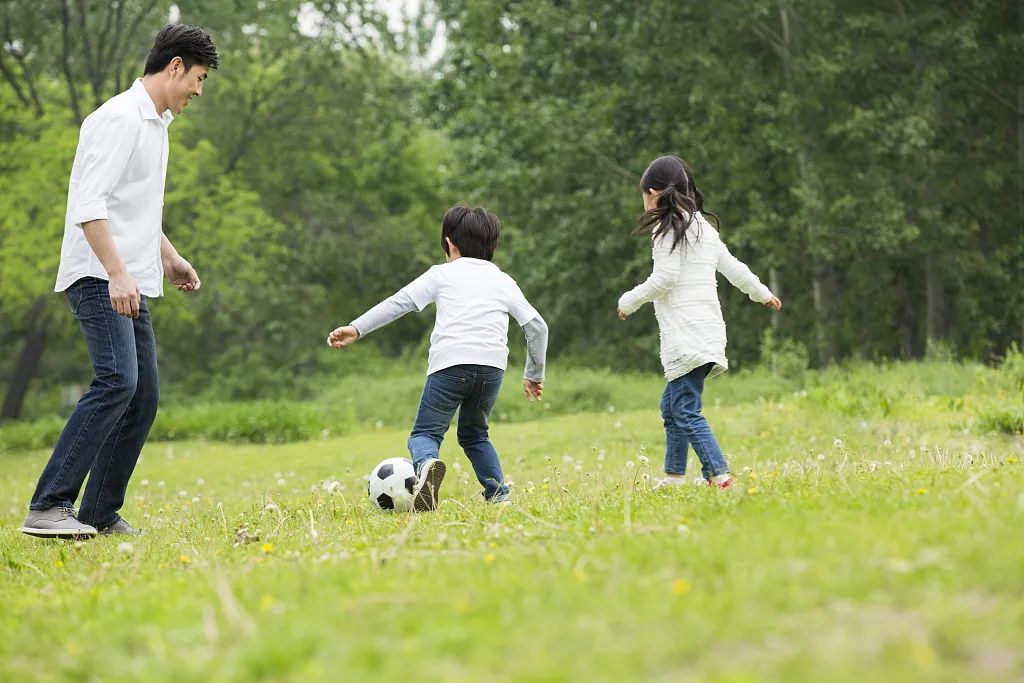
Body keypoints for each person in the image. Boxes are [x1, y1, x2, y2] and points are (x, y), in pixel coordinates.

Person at [19, 24, 219, 538]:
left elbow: (135, 211)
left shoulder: (156, 125)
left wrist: (170, 258)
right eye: (197, 78)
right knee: (117, 381)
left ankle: (98, 514)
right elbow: (90, 205)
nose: (199, 90)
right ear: (174, 66)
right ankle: (48, 505)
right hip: (99, 275)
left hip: (129, 278)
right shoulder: (117, 119)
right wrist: (116, 272)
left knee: (143, 395)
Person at [328, 205, 548, 510]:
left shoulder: (441, 275)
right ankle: (499, 497)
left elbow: (400, 302)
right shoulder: (503, 280)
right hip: (491, 368)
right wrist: (534, 373)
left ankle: (427, 465)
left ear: (449, 244)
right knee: (474, 435)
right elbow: (536, 326)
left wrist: (357, 328)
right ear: (492, 246)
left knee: (424, 434)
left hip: (450, 364)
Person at [617, 156, 781, 490]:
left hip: (686, 333)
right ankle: (675, 477)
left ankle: (719, 476)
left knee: (685, 409)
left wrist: (629, 300)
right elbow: (732, 266)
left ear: (652, 192)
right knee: (672, 406)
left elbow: (665, 277)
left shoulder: (668, 229)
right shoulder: (701, 227)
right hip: (708, 331)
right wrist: (761, 292)